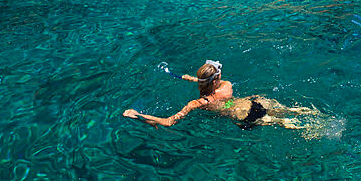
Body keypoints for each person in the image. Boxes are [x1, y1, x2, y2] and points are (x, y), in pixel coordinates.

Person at [123, 60, 320, 131]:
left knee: (287, 124)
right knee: (292, 111)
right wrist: (191, 78)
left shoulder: (197, 103)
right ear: (217, 79)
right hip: (255, 101)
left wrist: (138, 115)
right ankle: (315, 117)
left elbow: (167, 122)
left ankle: (318, 129)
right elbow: (212, 83)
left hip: (244, 116)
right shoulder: (227, 86)